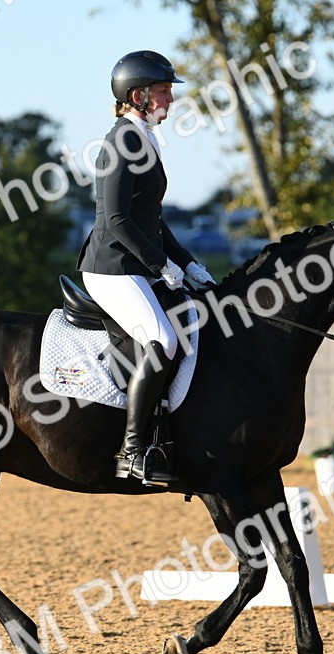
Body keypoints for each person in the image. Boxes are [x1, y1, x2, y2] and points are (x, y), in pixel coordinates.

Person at [77, 50, 215, 485]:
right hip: (111, 267)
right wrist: (161, 265)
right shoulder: (123, 140)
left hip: (136, 263)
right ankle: (133, 451)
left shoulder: (144, 136)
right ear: (137, 96)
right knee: (162, 338)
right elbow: (116, 220)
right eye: (163, 92)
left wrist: (189, 265)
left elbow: (151, 219)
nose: (170, 100)